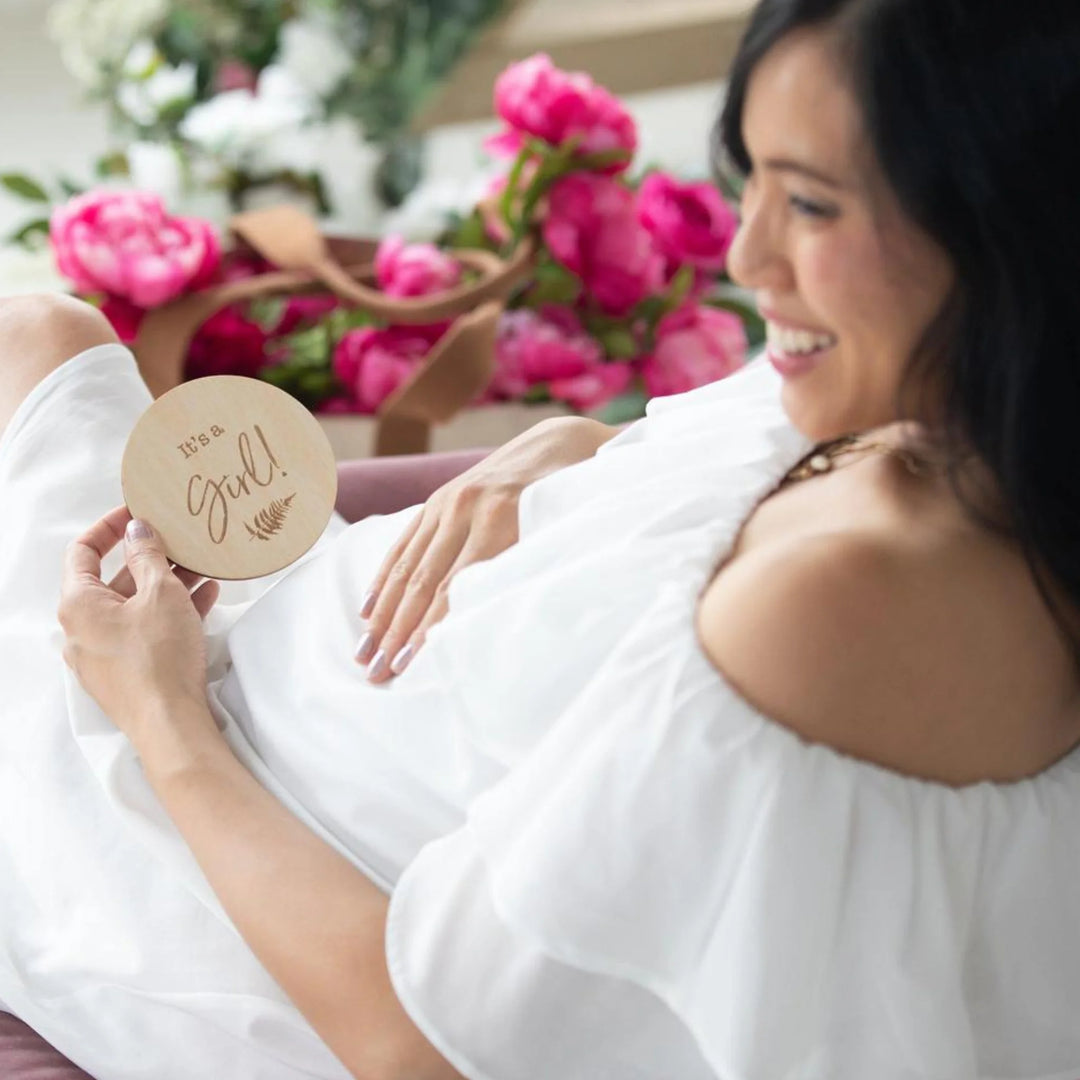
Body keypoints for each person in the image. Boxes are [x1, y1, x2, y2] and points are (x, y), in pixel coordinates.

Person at [3, 0, 1080, 1076]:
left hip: (250, 874)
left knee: (27, 348)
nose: (748, 256)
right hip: (287, 665)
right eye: (748, 176)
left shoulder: (855, 593)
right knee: (40, 335)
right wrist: (581, 447)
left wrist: (157, 709)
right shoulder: (948, 404)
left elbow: (416, 1048)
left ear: (1011, 220)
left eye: (808, 202)